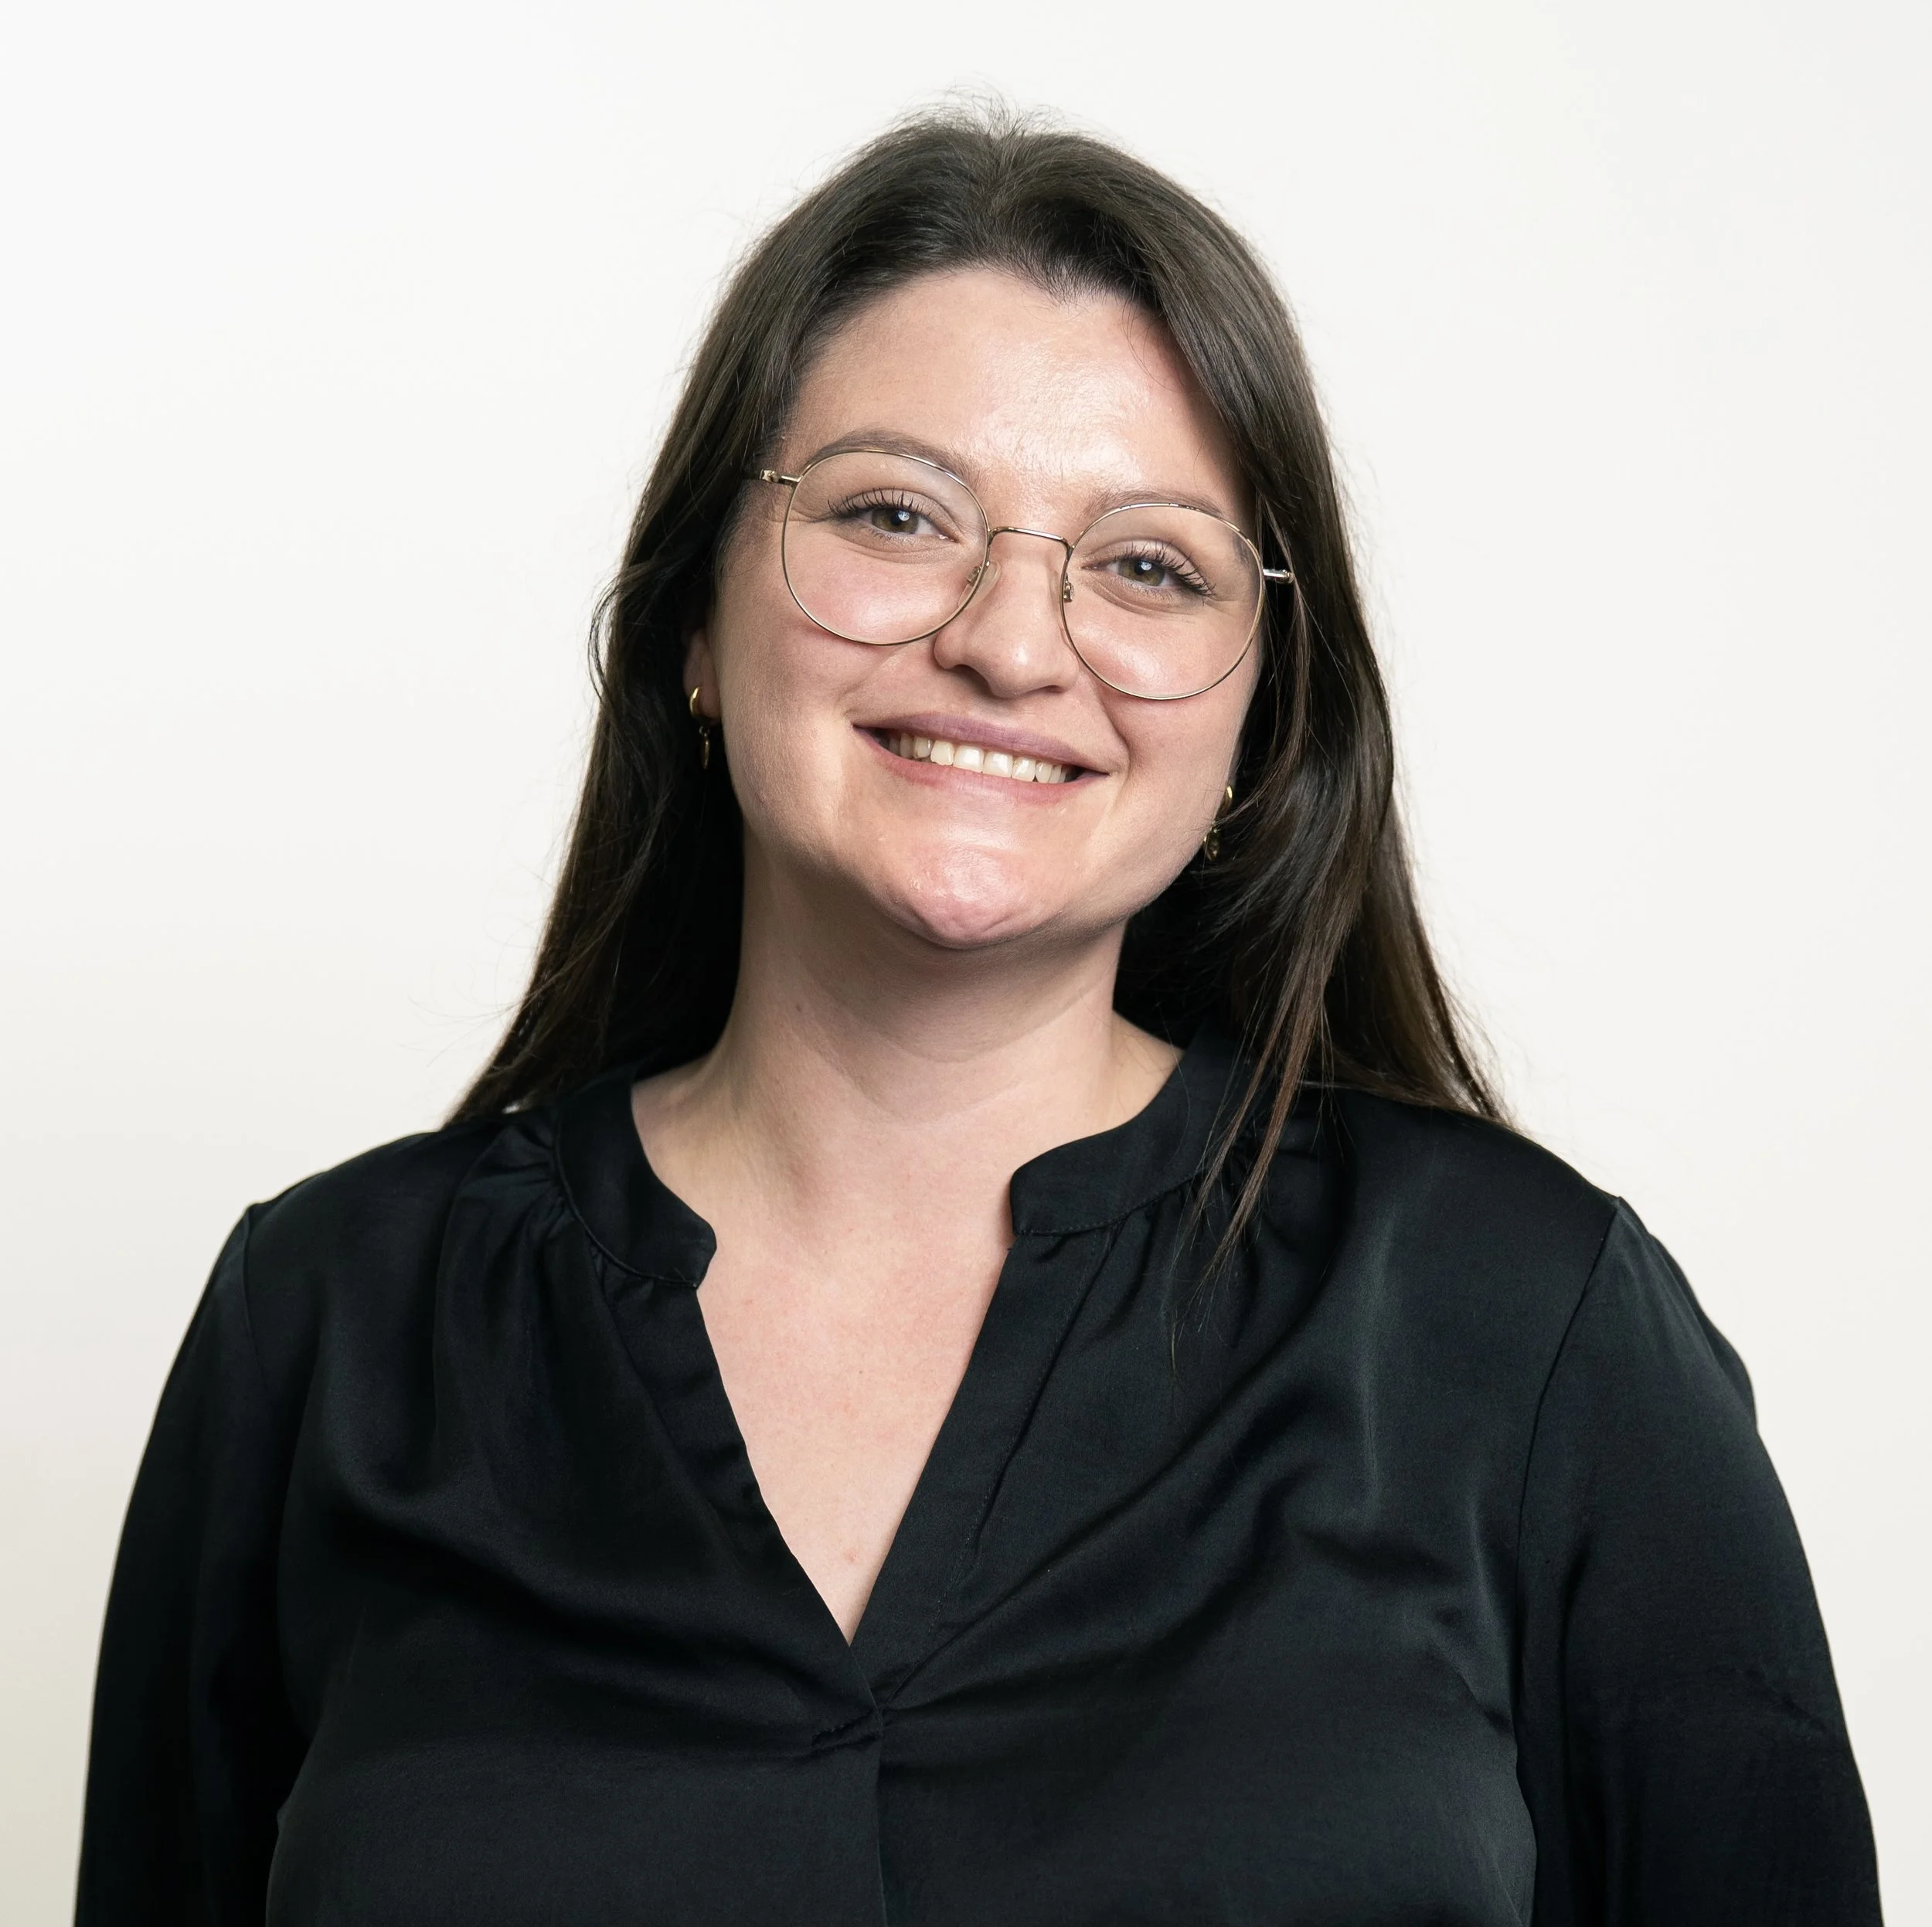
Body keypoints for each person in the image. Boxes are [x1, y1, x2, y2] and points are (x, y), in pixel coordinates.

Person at [77, 109, 1881, 1925]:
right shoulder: (322, 1327)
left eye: (1149, 565)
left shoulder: (1531, 1328)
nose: (1012, 642)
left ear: (1259, 713)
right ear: (695, 626)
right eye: (891, 515)